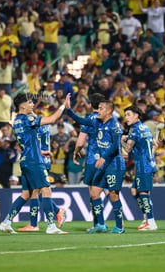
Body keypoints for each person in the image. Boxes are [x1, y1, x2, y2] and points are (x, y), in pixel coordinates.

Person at [0, 93, 71, 234]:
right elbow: (52, 119)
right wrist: (63, 106)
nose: (32, 105)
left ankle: (6, 222)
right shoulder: (27, 119)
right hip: (34, 161)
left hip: (25, 160)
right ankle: (51, 226)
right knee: (46, 190)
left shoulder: (17, 121)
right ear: (23, 105)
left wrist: (41, 151)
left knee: (26, 194)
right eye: (30, 102)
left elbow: (28, 141)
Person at [67, 100, 126, 234]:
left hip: (114, 165)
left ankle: (119, 227)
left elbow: (116, 145)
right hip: (102, 165)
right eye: (98, 108)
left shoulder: (115, 125)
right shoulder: (96, 122)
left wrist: (104, 157)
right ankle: (100, 224)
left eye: (101, 109)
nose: (98, 111)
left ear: (109, 111)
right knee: (94, 193)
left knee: (113, 194)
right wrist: (68, 109)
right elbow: (80, 120)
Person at [17, 124, 67, 232]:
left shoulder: (35, 126)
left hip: (38, 161)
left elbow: (35, 145)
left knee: (36, 192)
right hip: (45, 161)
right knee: (37, 192)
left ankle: (35, 224)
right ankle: (56, 212)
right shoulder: (46, 126)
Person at [72, 93, 108, 232]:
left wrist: (76, 152)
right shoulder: (108, 119)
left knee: (93, 193)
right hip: (107, 159)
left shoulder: (89, 119)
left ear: (90, 104)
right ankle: (119, 221)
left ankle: (98, 224)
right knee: (109, 191)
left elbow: (80, 142)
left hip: (93, 160)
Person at [121, 105, 158, 231]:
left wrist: (121, 140)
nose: (126, 118)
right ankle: (146, 219)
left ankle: (151, 222)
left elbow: (127, 149)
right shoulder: (145, 127)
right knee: (134, 191)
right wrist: (150, 157)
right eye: (125, 115)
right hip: (147, 163)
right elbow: (155, 144)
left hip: (143, 165)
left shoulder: (134, 129)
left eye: (128, 114)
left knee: (143, 193)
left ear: (136, 115)